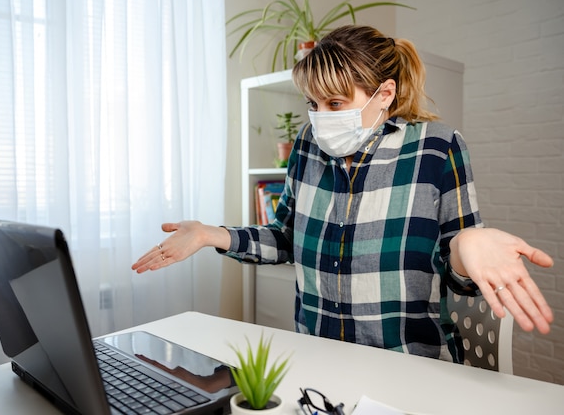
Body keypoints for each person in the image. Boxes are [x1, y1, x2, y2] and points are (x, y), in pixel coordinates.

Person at [132, 25, 554, 362]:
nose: (320, 117)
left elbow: (456, 267)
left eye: (334, 104)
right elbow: (285, 238)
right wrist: (210, 234)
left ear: (384, 93)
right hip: (316, 357)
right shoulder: (308, 144)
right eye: (312, 104)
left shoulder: (437, 147)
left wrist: (468, 242)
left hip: (407, 362)